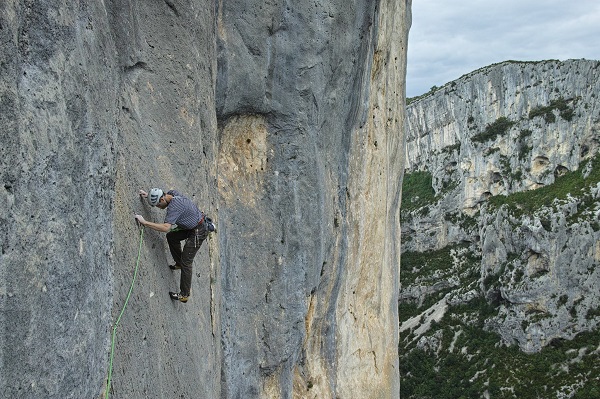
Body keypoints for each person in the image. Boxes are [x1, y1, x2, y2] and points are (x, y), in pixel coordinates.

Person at [135, 188, 209, 303]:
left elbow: (166, 227)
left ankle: (184, 295)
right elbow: (160, 193)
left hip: (199, 230)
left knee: (187, 262)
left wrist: (144, 222)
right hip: (191, 225)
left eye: (158, 205)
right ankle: (178, 263)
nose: (159, 207)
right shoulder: (172, 194)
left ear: (162, 199)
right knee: (172, 237)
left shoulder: (174, 207)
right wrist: (148, 196)